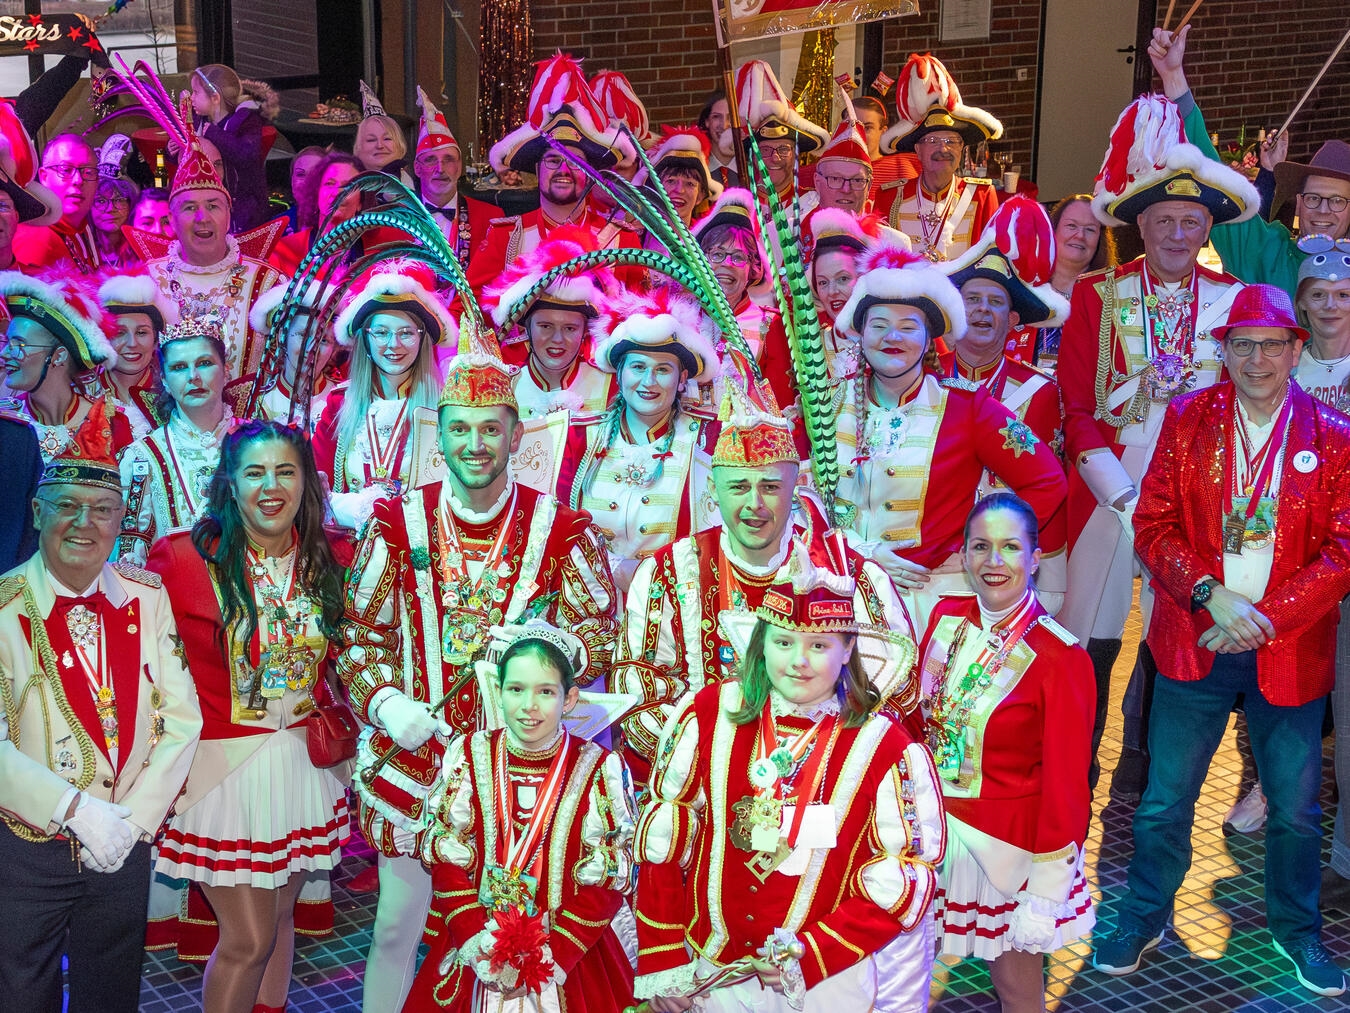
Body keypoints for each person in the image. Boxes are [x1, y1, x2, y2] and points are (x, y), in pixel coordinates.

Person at [340, 345, 619, 1013]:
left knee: (508, 933)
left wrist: (546, 648)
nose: (476, 442)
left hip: (520, 771)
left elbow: (601, 634)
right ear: (442, 433)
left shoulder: (562, 530)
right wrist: (385, 702)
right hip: (419, 763)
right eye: (460, 427)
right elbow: (356, 635)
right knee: (395, 928)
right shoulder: (397, 521)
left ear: (516, 435)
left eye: (491, 427)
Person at [1091, 284, 1350, 998]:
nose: (1257, 358)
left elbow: (1343, 549)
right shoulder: (1187, 419)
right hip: (1194, 637)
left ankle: (1298, 932)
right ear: (1222, 351)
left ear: (1297, 350)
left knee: (1297, 810)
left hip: (1287, 647)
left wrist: (1265, 615)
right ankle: (1144, 916)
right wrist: (1211, 594)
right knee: (1166, 799)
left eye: (1272, 344)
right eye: (1242, 344)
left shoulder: (1333, 436)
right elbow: (1154, 523)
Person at [633, 539, 944, 1012]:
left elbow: (902, 876)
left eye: (819, 645)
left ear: (848, 650)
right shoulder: (710, 713)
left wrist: (815, 953)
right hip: (711, 975)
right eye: (783, 642)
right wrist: (664, 960)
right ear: (761, 644)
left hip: (824, 984)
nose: (798, 661)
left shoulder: (885, 746)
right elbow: (666, 843)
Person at [1057, 93, 1258, 795]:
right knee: (1092, 630)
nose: (1177, 231)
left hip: (1197, 493)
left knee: (1172, 634)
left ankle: (1144, 770)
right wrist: (1121, 490)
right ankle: (1075, 762)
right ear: (1140, 224)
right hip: (1111, 487)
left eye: (1191, 220)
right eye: (1164, 219)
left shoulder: (1236, 301)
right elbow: (1076, 408)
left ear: (1208, 226)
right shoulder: (1095, 294)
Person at [0, 414, 202, 1013]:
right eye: (66, 505)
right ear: (37, 513)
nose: (83, 523)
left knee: (111, 991)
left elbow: (182, 719)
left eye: (101, 509)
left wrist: (131, 824)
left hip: (123, 838)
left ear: (121, 521)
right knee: (19, 990)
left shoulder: (148, 596)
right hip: (25, 843)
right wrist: (76, 812)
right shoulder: (4, 606)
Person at [146, 420, 349, 1013]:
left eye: (286, 471)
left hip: (302, 767)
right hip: (223, 773)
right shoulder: (183, 557)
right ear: (230, 484)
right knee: (248, 938)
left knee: (281, 920)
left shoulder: (332, 554)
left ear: (306, 481)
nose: (271, 486)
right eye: (254, 472)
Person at [616, 386, 913, 783]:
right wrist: (720, 763)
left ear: (794, 489)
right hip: (703, 781)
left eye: (770, 487)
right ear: (714, 490)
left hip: (817, 786)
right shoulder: (667, 572)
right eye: (738, 486)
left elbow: (893, 697)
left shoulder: (849, 576)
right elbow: (640, 696)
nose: (754, 503)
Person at [826, 238, 1067, 635]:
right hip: (838, 594)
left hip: (929, 605)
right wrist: (856, 551)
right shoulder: (827, 404)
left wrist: (982, 547)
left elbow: (1047, 481)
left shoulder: (966, 407)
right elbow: (801, 499)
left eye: (908, 328)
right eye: (880, 325)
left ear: (927, 341)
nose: (892, 338)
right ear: (861, 333)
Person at [403, 621, 638, 1012]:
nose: (529, 706)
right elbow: (446, 858)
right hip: (477, 942)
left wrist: (555, 954)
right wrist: (474, 941)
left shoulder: (599, 767)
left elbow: (609, 879)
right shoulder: (470, 755)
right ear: (499, 691)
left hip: (566, 957)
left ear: (570, 699)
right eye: (516, 689)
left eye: (545, 692)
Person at [918, 493, 1095, 1013]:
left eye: (1010, 548)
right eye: (981, 547)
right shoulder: (945, 618)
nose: (994, 563)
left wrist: (1047, 886)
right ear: (965, 555)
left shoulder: (1061, 657)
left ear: (1035, 558)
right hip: (929, 835)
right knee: (904, 975)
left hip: (1006, 851)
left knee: (1017, 991)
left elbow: (1067, 784)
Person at [1149, 24, 1350, 298]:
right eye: (1314, 198)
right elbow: (1208, 173)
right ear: (1300, 204)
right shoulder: (1264, 252)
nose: (1324, 210)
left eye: (1337, 201)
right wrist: (1173, 77)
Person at [941, 195, 1070, 611]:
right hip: (937, 557)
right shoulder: (925, 378)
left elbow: (1051, 485)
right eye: (972, 299)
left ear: (1013, 321)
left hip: (1008, 566)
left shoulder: (1040, 390)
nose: (982, 309)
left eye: (996, 302)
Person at [556, 288, 720, 594]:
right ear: (618, 373)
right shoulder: (577, 438)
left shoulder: (709, 440)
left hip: (672, 608)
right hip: (584, 605)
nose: (648, 382)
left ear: (682, 378)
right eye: (638, 367)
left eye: (662, 370)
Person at [1286, 237, 1350, 906]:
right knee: (1300, 717)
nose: (1331, 306)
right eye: (1320, 295)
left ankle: (1346, 858)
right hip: (1299, 573)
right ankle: (1301, 842)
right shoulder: (1286, 368)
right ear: (1302, 304)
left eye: (1343, 296)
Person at [467, 53, 640, 299]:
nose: (563, 170)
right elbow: (467, 309)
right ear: (537, 170)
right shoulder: (504, 237)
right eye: (553, 160)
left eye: (575, 162)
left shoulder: (622, 238)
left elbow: (643, 316)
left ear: (591, 174)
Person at [312, 261, 451, 530]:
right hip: (347, 559)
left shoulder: (446, 407)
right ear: (366, 338)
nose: (393, 345)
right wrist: (353, 509)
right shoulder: (338, 404)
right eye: (382, 333)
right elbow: (315, 490)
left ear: (422, 340)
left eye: (406, 333)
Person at [143, 124, 283, 379]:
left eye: (213, 206)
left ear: (228, 218)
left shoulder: (268, 284)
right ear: (172, 221)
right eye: (188, 208)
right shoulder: (145, 283)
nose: (202, 217)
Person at [116, 316, 233, 566]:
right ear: (166, 382)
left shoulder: (262, 444)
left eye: (204, 363)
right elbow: (130, 559)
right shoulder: (142, 457)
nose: (193, 377)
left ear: (226, 370)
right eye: (179, 367)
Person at [0, 271, 134, 463]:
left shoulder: (110, 423)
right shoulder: (6, 422)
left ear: (58, 356)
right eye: (7, 343)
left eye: (19, 345)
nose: (4, 354)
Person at [879, 54, 1001, 262]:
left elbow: (992, 260)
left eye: (952, 141)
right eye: (933, 140)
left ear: (962, 148)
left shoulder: (981, 195)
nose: (943, 148)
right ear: (917, 150)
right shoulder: (890, 197)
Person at [485, 230, 615, 418]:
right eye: (545, 326)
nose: (558, 339)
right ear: (526, 328)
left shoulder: (610, 386)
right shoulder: (500, 389)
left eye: (570, 328)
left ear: (585, 331)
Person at [692, 189, 795, 409]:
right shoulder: (679, 317)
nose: (727, 264)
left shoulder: (770, 325)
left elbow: (779, 410)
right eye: (717, 254)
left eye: (738, 257)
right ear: (701, 262)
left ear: (753, 269)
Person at [232, 279, 339, 428]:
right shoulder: (249, 400)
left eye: (324, 340)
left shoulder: (345, 398)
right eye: (303, 335)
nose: (311, 348)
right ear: (283, 336)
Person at [412, 86, 495, 267]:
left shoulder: (491, 218)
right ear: (417, 169)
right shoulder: (398, 219)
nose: (440, 168)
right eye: (430, 160)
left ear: (459, 167)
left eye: (448, 159)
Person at [728, 59, 828, 209]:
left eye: (783, 149)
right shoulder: (735, 206)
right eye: (765, 150)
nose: (775, 157)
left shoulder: (814, 206)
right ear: (752, 156)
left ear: (796, 155)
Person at [1035, 195, 1118, 371]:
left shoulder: (1113, 299)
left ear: (1100, 241)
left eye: (1090, 229)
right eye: (1071, 225)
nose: (1080, 235)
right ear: (1053, 231)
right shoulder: (1025, 288)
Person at [190, 64, 272, 232]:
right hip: (211, 202)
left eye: (196, 92)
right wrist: (173, 150)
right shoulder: (200, 120)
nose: (192, 98)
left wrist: (214, 134)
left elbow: (246, 154)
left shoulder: (246, 120)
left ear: (215, 97)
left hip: (244, 208)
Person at [97, 269, 178, 438]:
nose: (132, 343)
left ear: (156, 340)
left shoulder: (174, 394)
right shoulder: (82, 394)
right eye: (119, 333)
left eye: (142, 333)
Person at [13, 133, 101, 273]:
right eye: (66, 170)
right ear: (44, 177)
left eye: (88, 172)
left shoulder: (81, 229)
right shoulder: (35, 240)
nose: (78, 180)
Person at [268, 151, 364, 278]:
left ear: (361, 202)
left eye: (348, 186)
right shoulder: (285, 252)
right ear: (316, 194)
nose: (337, 192)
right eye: (329, 184)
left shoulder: (377, 250)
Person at [646, 125, 720, 231]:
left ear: (700, 195)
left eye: (690, 183)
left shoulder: (710, 242)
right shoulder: (632, 240)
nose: (680, 190)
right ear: (655, 189)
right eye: (671, 181)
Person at [89, 175, 140, 269]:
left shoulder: (141, 252)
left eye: (119, 200)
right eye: (100, 201)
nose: (110, 209)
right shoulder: (83, 252)